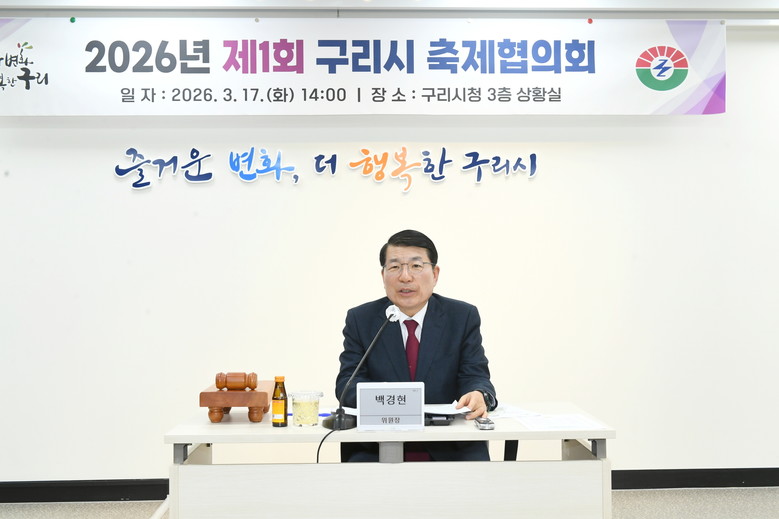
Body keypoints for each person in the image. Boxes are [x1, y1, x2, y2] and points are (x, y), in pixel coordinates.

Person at [335, 229, 497, 462]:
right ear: (383, 275)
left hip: (450, 446)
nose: (405, 277)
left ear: (435, 273)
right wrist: (400, 403)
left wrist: (479, 393)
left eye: (416, 266)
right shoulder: (361, 319)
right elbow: (347, 385)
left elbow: (475, 375)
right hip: (377, 445)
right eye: (394, 267)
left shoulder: (462, 317)